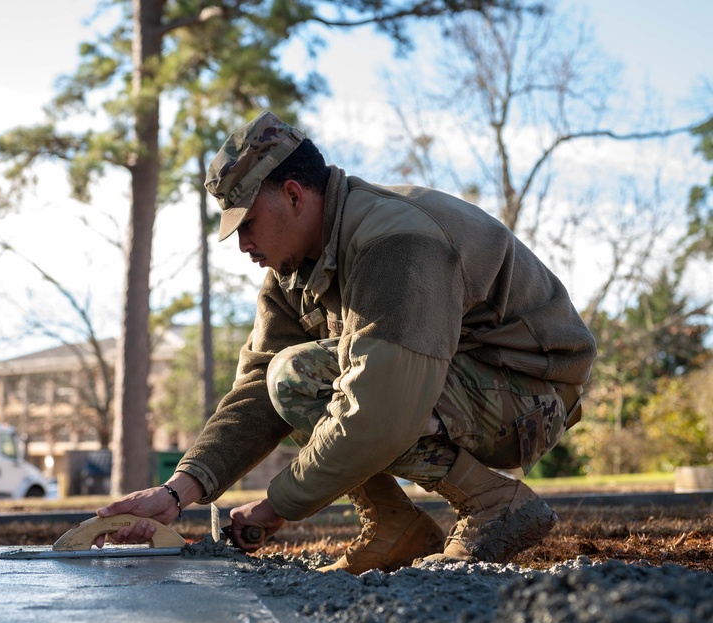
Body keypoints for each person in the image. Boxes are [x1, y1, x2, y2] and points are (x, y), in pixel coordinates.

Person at [96, 111, 596, 574]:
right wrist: (178, 491)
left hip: (530, 394)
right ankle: (394, 523)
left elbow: (383, 409)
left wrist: (276, 506)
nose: (243, 244)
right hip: (461, 385)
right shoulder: (294, 272)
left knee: (306, 376)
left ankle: (492, 503)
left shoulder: (395, 244)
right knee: (288, 378)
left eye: (247, 223)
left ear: (294, 195)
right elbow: (258, 392)